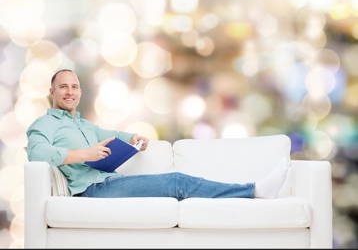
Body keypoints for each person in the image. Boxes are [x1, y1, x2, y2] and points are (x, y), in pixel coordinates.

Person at [26, 69, 290, 199]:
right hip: (91, 190)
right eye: (63, 87)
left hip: (106, 181)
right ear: (52, 93)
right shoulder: (45, 124)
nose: (70, 92)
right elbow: (38, 153)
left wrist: (132, 138)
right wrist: (85, 153)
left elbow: (111, 132)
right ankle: (253, 191)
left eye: (74, 87)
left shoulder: (83, 124)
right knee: (177, 181)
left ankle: (252, 190)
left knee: (175, 181)